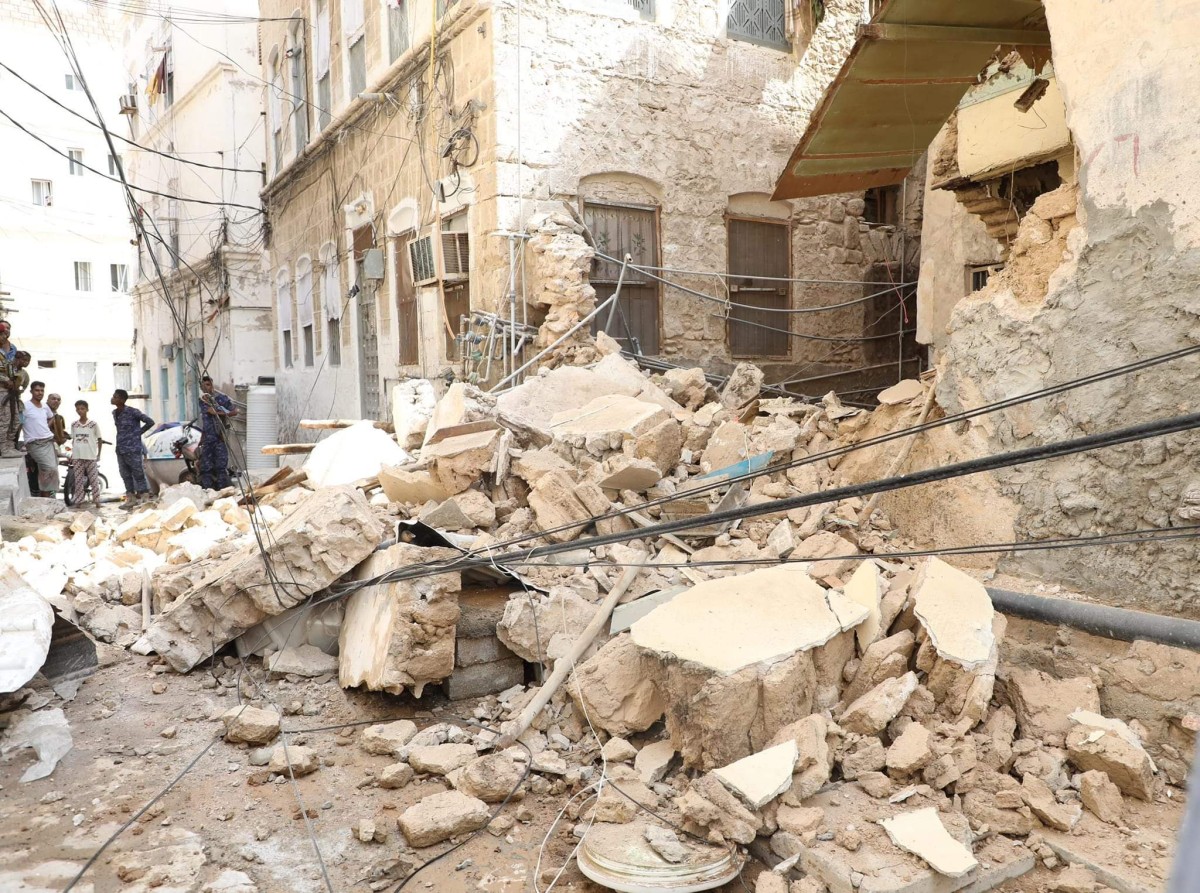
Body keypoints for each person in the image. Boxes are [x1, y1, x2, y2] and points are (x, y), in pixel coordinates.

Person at [111, 388, 154, 504]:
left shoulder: (133, 411)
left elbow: (150, 422)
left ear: (121, 399)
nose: (112, 398)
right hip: (121, 449)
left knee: (138, 473)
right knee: (124, 474)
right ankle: (131, 498)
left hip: (133, 448)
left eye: (115, 397)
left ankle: (145, 497)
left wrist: (137, 433)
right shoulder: (115, 413)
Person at [198, 374, 237, 490]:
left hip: (219, 438)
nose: (207, 388)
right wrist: (201, 439)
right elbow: (205, 422)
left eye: (209, 385)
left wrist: (218, 413)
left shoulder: (221, 398)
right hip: (208, 440)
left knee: (221, 467)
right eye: (204, 385)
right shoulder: (202, 400)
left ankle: (222, 491)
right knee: (206, 468)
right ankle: (207, 491)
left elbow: (234, 411)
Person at [22, 380, 59, 497]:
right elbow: (19, 423)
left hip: (48, 441)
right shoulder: (25, 406)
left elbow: (51, 417)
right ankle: (45, 496)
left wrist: (45, 427)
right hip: (34, 443)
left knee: (48, 471)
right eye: (37, 390)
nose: (39, 393)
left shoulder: (45, 406)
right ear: (31, 391)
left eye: (42, 390)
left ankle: (46, 497)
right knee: (50, 468)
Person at [70, 399, 102, 507]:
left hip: (90, 455)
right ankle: (79, 501)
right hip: (77, 456)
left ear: (87, 409)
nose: (80, 411)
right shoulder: (74, 424)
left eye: (82, 408)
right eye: (78, 409)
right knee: (78, 480)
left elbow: (99, 439)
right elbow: (73, 439)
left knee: (94, 479)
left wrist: (98, 454)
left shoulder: (93, 424)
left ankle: (97, 501)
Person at [0, 349, 29, 457]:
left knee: (16, 421)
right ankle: (4, 448)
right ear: (17, 358)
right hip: (4, 396)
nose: (26, 362)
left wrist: (20, 389)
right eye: (24, 360)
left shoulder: (22, 372)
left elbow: (25, 384)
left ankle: (10, 446)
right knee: (5, 422)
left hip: (14, 398)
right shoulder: (8, 365)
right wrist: (5, 380)